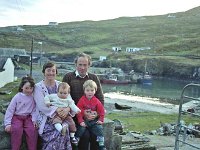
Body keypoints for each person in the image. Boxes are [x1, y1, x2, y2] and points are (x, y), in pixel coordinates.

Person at [62, 52, 104, 150]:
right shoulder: (68, 77)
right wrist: (80, 113)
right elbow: (63, 98)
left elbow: (100, 98)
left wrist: (96, 114)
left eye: (85, 65)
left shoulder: (94, 78)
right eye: (80, 64)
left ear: (89, 65)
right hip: (75, 117)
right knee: (84, 136)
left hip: (92, 118)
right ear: (76, 64)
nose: (82, 67)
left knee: (96, 136)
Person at [33, 61, 72, 150]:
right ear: (44, 72)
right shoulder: (38, 87)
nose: (51, 73)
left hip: (62, 117)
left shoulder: (61, 84)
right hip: (45, 119)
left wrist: (67, 109)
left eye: (53, 70)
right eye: (48, 70)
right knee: (59, 132)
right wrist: (57, 110)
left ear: (56, 72)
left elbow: (69, 100)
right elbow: (42, 106)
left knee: (64, 130)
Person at [4, 76, 38, 150]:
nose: (29, 90)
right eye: (26, 88)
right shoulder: (17, 97)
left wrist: (34, 120)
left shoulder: (33, 97)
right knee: (16, 130)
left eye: (31, 88)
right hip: (17, 117)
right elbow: (10, 110)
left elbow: (34, 110)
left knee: (32, 130)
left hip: (28, 118)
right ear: (22, 87)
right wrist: (7, 124)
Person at [76, 80, 105, 150]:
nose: (90, 92)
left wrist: (101, 119)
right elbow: (78, 111)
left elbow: (102, 111)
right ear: (84, 91)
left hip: (93, 121)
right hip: (84, 120)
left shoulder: (97, 101)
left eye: (92, 90)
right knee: (81, 128)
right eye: (87, 90)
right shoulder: (82, 100)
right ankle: (77, 138)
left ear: (95, 91)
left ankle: (101, 142)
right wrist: (81, 121)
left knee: (99, 128)